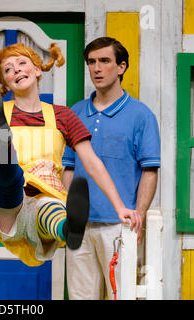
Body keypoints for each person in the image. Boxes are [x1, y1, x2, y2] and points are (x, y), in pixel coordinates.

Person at [0, 42, 139, 268]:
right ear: (5, 82)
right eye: (8, 69)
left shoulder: (63, 116)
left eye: (22, 63)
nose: (17, 70)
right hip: (4, 205)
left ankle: (69, 230)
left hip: (44, 193)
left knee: (48, 209)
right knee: (9, 178)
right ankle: (3, 141)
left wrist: (120, 206)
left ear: (38, 70)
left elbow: (92, 162)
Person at [62, 37, 160, 300]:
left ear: (121, 67)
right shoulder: (75, 112)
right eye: (91, 62)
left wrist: (138, 216)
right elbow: (69, 167)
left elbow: (150, 171)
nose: (96, 68)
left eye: (104, 61)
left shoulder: (142, 115)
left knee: (122, 296)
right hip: (79, 226)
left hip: (119, 226)